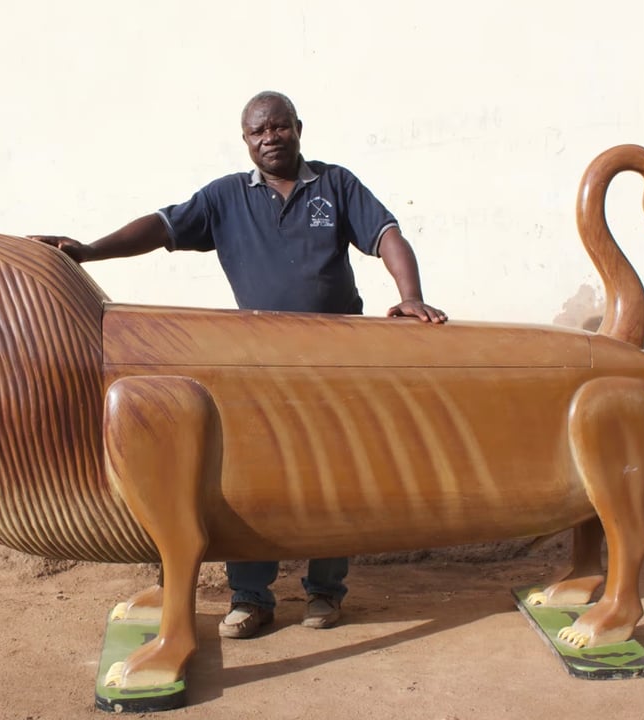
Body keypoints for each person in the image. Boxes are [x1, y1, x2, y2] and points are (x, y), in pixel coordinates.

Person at [31, 90, 447, 639]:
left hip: (337, 359)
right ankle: (252, 599)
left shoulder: (336, 184)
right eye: (258, 131)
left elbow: (387, 235)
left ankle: (325, 593)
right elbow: (160, 228)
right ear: (246, 141)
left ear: (298, 127)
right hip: (255, 364)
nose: (270, 137)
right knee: (251, 481)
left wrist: (411, 294)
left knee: (335, 475)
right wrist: (89, 250)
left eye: (279, 126)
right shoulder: (225, 198)